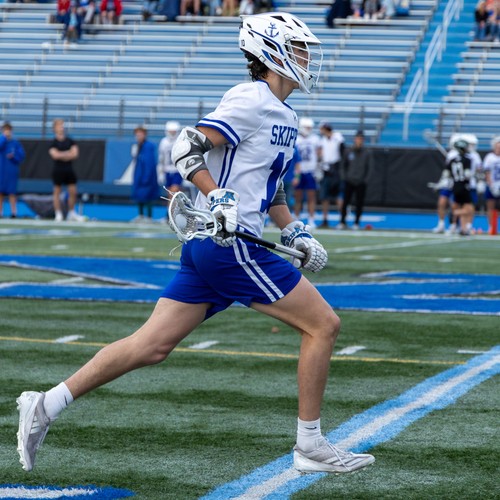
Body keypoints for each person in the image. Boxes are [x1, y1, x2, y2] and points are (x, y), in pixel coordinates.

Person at [16, 12, 375, 476]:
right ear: (272, 51)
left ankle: (46, 404)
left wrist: (293, 230)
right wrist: (217, 195)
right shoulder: (252, 97)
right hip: (229, 246)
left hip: (219, 245)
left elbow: (270, 185)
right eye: (300, 48)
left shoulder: (285, 113)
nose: (307, 58)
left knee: (150, 345)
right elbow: (187, 146)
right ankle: (309, 444)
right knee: (324, 325)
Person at [49, 119, 85, 222]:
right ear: (55, 128)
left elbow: (75, 154)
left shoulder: (70, 141)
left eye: (62, 125)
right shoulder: (53, 142)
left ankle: (71, 212)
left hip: (69, 169)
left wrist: (62, 154)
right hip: (58, 169)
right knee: (57, 192)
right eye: (59, 126)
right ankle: (58, 213)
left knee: (73, 191)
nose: (62, 127)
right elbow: (55, 155)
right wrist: (67, 153)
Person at [438, 139, 476, 236]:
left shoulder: (452, 160)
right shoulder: (467, 159)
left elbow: (446, 174)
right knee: (469, 209)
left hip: (455, 186)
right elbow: (467, 174)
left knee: (457, 205)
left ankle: (461, 229)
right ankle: (454, 214)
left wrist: (440, 184)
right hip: (464, 186)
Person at [339, 130, 372, 230]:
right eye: (358, 138)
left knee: (359, 203)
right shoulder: (348, 151)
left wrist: (365, 180)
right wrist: (345, 177)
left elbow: (370, 168)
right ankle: (342, 222)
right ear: (355, 139)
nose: (359, 140)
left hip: (360, 181)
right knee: (345, 202)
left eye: (361, 139)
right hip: (349, 181)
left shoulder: (367, 153)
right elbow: (343, 165)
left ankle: (356, 222)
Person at [295, 117, 321, 228]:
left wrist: (318, 168)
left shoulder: (315, 139)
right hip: (299, 171)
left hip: (311, 171)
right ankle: (296, 218)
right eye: (307, 127)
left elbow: (319, 154)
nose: (309, 129)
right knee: (298, 197)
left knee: (311, 197)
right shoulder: (296, 139)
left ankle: (311, 219)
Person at [318, 122, 345, 228]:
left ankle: (342, 220)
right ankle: (325, 219)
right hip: (326, 169)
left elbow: (342, 149)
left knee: (338, 196)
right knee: (325, 197)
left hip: (336, 168)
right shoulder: (323, 140)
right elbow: (321, 154)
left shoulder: (337, 137)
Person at [131, 125, 159, 222]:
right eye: (137, 135)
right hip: (139, 173)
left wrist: (146, 176)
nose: (138, 137)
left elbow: (149, 162)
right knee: (138, 195)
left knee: (147, 195)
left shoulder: (148, 146)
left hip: (146, 174)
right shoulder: (138, 146)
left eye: (140, 134)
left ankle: (149, 216)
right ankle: (141, 215)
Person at [0, 122, 25, 218]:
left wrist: (13, 157)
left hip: (11, 171)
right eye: (5, 130)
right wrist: (3, 138)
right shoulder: (2, 141)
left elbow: (21, 156)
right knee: (0, 192)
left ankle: (14, 212)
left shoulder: (15, 143)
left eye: (9, 130)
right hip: (1, 171)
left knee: (12, 192)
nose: (7, 132)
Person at [158, 120, 182, 217]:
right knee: (170, 194)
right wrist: (160, 173)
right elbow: (161, 158)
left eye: (173, 131)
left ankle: (171, 215)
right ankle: (171, 214)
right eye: (170, 131)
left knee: (173, 193)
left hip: (177, 171)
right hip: (167, 170)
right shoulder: (164, 142)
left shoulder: (180, 141)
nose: (172, 133)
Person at [483, 135, 500, 234]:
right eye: (498, 147)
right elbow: (487, 172)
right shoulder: (489, 157)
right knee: (490, 206)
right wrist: (491, 185)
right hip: (492, 185)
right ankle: (491, 227)